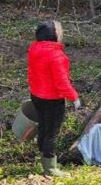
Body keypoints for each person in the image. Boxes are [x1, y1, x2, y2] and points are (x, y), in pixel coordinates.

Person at [27, 21, 81, 177]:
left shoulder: (34, 49)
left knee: (43, 127)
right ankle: (50, 168)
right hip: (52, 99)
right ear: (53, 34)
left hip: (37, 95)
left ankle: (43, 159)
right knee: (52, 133)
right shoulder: (57, 56)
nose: (61, 33)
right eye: (59, 30)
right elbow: (62, 82)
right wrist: (74, 97)